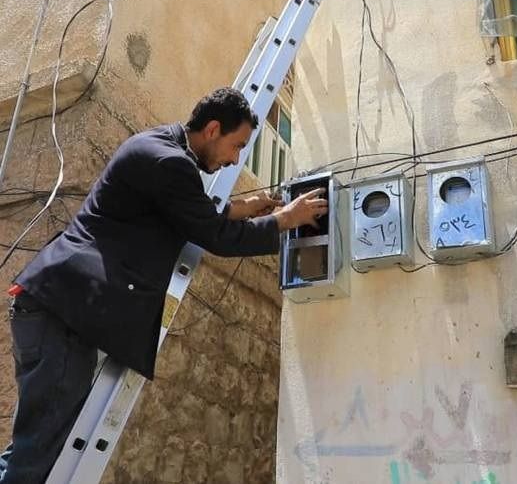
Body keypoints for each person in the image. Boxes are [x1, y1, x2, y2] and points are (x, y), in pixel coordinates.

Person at [0, 87, 327, 483]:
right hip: (65, 313)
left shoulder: (160, 147)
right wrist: (284, 220)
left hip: (59, 306)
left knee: (34, 447)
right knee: (36, 460)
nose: (234, 160)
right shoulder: (170, 162)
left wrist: (239, 209)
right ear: (212, 129)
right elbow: (216, 236)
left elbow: (179, 210)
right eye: (237, 146)